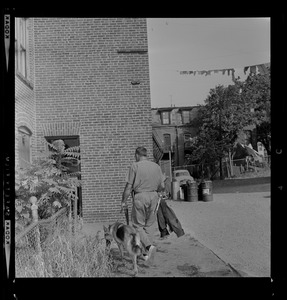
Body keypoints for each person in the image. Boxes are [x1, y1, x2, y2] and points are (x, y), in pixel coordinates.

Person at [121, 146, 165, 264]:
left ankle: (149, 247)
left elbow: (129, 186)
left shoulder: (135, 166)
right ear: (145, 155)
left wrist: (123, 201)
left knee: (137, 225)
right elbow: (162, 186)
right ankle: (146, 254)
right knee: (149, 225)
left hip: (140, 197)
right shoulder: (156, 166)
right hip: (154, 197)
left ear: (137, 155)